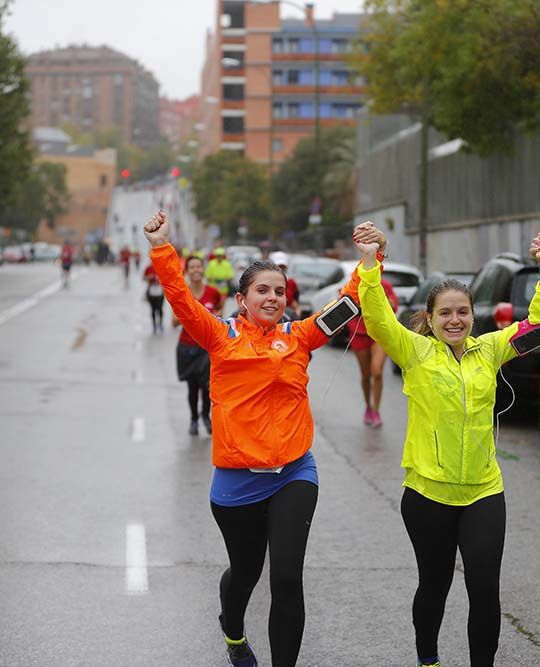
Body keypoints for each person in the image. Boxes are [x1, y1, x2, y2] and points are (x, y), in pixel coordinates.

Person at [144, 209, 374, 667]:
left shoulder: (301, 335)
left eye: (279, 291)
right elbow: (181, 299)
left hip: (294, 472)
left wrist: (369, 260)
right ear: (242, 298)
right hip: (237, 482)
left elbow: (350, 303)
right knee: (246, 573)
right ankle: (233, 631)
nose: (272, 298)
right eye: (262, 290)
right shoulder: (219, 335)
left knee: (286, 579)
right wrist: (161, 247)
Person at [352, 221, 540, 667]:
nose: (455, 320)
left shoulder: (491, 349)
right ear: (429, 319)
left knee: (484, 588)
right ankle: (428, 660)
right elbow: (377, 318)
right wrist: (371, 262)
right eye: (445, 313)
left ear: (472, 316)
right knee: (435, 585)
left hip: (484, 492)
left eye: (462, 312)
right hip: (428, 495)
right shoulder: (415, 352)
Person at [171, 254, 221, 435]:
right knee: (192, 387)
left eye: (198, 266)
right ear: (187, 271)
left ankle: (205, 416)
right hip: (188, 347)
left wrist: (212, 317)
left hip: (207, 347)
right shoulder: (182, 294)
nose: (196, 270)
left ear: (203, 269)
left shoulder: (213, 293)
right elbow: (173, 322)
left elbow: (219, 316)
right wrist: (190, 314)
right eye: (192, 267)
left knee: (207, 386)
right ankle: (193, 419)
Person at [347, 273, 398, 427]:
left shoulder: (384, 285)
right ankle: (368, 407)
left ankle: (376, 411)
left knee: (377, 372)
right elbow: (344, 306)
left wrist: (381, 299)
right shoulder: (353, 285)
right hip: (359, 334)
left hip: (379, 334)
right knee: (365, 375)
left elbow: (394, 306)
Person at [269, 252, 299, 319]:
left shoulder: (291, 282)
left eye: (283, 267)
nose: (280, 269)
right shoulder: (264, 281)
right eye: (278, 266)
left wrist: (296, 316)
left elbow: (295, 303)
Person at [206, 246, 235, 311]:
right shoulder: (211, 264)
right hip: (213, 289)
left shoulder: (227, 264)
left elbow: (230, 276)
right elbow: (207, 276)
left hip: (223, 290)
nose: (219, 257)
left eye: (220, 255)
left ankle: (220, 316)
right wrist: (215, 279)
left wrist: (222, 279)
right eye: (218, 255)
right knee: (213, 305)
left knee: (221, 306)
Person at [144, 262, 165, 334]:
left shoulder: (161, 268)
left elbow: (166, 278)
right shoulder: (148, 268)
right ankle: (154, 326)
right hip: (151, 291)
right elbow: (143, 278)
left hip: (160, 291)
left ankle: (160, 323)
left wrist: (160, 279)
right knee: (153, 309)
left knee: (160, 309)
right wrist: (149, 277)